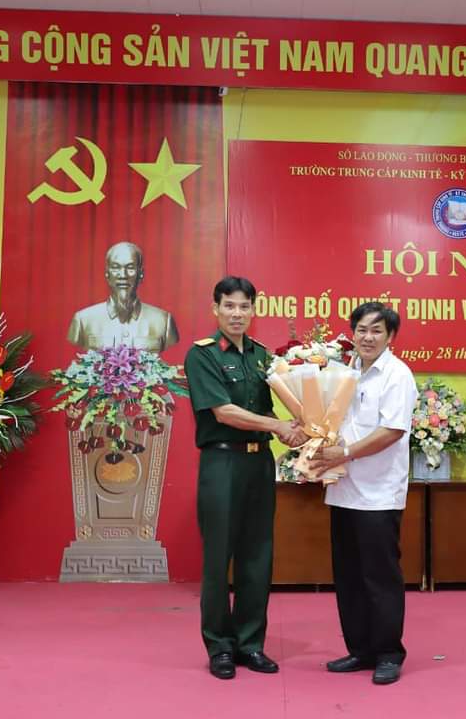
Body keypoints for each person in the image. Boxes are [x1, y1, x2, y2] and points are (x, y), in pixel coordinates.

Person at [184, 276, 305, 680]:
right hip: (222, 464)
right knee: (219, 557)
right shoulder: (202, 355)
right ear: (215, 309)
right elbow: (224, 412)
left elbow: (268, 409)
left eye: (244, 306)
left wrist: (300, 427)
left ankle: (251, 643)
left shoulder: (262, 356)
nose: (237, 314)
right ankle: (220, 646)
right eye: (229, 306)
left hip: (259, 465)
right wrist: (278, 426)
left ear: (254, 310)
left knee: (258, 555)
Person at [308, 301, 417, 686]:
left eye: (376, 331)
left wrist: (346, 452)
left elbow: (392, 431)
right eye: (361, 330)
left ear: (390, 336)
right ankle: (360, 649)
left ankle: (388, 653)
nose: (367, 337)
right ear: (352, 333)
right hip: (343, 487)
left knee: (379, 576)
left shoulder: (397, 375)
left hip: (378, 493)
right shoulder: (345, 372)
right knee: (349, 575)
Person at [66, 241, 179, 352]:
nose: (123, 275)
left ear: (141, 274)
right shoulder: (83, 320)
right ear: (107, 274)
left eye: (130, 268)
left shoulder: (163, 321)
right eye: (116, 267)